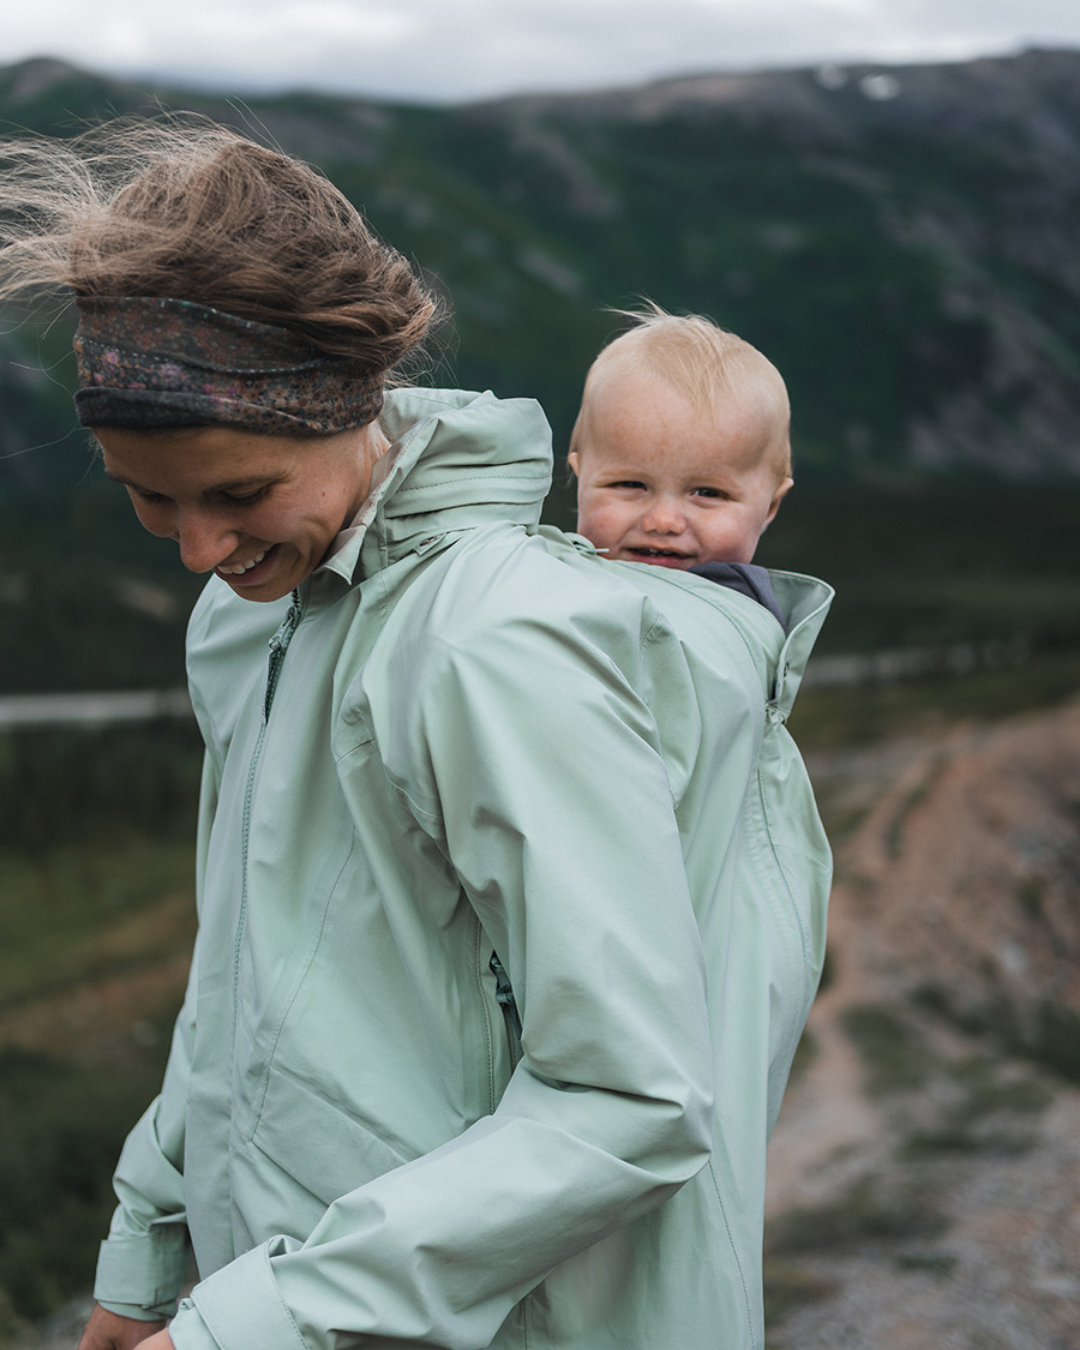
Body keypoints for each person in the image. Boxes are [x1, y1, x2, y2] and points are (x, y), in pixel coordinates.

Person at [0, 119, 831, 1350]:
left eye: (238, 494)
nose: (197, 551)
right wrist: (152, 1247)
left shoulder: (496, 645)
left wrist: (260, 1321)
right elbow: (240, 981)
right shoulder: (252, 624)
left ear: (349, 409)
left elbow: (633, 1096)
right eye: (144, 493)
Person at [568, 304, 795, 627]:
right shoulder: (538, 578)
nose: (663, 522)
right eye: (631, 485)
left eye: (707, 492)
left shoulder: (734, 626)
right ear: (582, 481)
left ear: (770, 505)